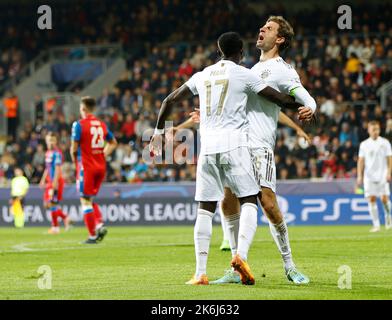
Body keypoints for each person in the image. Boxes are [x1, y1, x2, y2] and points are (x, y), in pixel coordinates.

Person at [150, 32, 309, 285]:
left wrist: (158, 134)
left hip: (207, 148)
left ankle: (200, 272)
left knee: (205, 208)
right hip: (235, 145)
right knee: (248, 200)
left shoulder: (202, 75)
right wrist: (302, 105)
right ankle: (240, 256)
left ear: (219, 50)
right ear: (241, 54)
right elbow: (278, 98)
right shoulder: (244, 74)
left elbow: (169, 99)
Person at [70, 96, 117, 244]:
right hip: (100, 167)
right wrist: (102, 154)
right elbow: (113, 143)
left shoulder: (79, 125)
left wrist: (74, 164)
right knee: (89, 199)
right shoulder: (101, 124)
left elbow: (73, 149)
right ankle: (99, 224)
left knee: (84, 201)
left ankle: (92, 236)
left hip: (87, 167)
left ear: (83, 109)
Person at [357, 120, 392, 232]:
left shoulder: (385, 143)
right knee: (371, 199)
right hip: (369, 176)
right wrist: (359, 176)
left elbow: (389, 159)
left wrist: (389, 173)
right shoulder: (364, 144)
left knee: (384, 199)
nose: (375, 132)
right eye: (373, 130)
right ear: (369, 130)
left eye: (377, 129)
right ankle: (376, 225)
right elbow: (361, 161)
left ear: (379, 129)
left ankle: (388, 218)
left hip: (382, 175)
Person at [40, 132, 71, 234]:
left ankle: (55, 228)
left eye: (53, 140)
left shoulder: (57, 153)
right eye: (49, 140)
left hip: (56, 181)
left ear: (56, 141)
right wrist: (43, 179)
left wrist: (55, 182)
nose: (51, 142)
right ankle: (65, 217)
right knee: (46, 204)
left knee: (52, 203)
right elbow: (47, 168)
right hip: (50, 181)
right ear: (46, 141)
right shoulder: (48, 153)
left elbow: (58, 168)